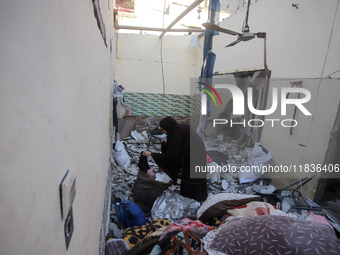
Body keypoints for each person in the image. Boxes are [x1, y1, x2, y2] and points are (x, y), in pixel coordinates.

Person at [142, 116, 207, 202]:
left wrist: (152, 154)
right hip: (193, 153)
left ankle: (194, 197)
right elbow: (181, 143)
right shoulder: (178, 129)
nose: (163, 132)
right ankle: (189, 195)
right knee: (189, 173)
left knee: (191, 174)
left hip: (196, 155)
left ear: (169, 128)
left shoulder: (177, 135)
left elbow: (172, 156)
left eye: (163, 129)